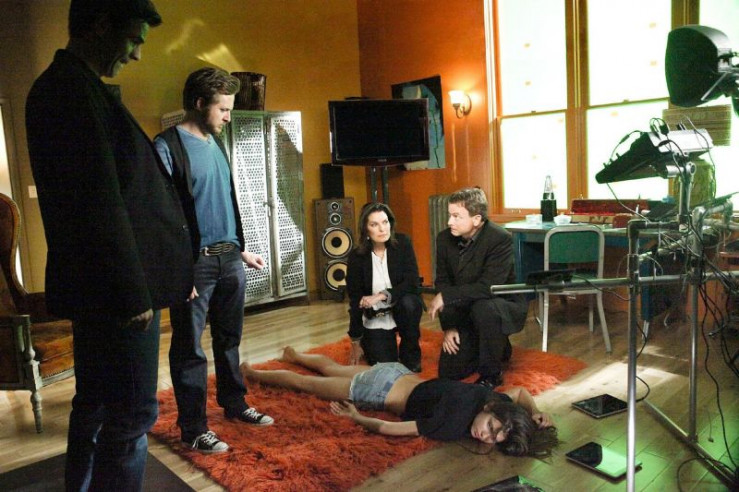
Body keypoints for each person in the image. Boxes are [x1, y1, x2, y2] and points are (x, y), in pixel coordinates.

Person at [25, 1, 194, 490]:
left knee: (96, 405)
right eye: (134, 38)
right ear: (100, 24)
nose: (137, 53)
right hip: (118, 296)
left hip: (105, 290)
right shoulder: (70, 91)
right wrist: (132, 294)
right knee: (131, 415)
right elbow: (95, 202)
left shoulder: (72, 86)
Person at [154, 67, 273, 455]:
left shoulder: (217, 143)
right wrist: (177, 271)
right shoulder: (167, 147)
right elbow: (162, 217)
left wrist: (240, 249)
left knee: (229, 340)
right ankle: (193, 428)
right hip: (195, 266)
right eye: (223, 109)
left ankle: (234, 403)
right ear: (199, 103)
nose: (228, 117)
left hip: (230, 259)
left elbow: (221, 202)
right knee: (189, 349)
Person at [240, 349, 557, 456]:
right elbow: (388, 428)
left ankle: (294, 355)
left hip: (397, 372)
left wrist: (537, 412)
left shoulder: (490, 400)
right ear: (490, 412)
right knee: (307, 384)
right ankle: (253, 373)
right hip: (379, 391)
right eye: (490, 428)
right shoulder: (449, 424)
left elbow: (519, 394)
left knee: (332, 368)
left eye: (493, 438)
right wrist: (356, 417)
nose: (484, 436)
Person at [428, 187, 528, 388]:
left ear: (476, 219)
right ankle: (495, 344)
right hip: (465, 305)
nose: (449, 222)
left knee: (484, 308)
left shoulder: (500, 238)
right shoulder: (444, 239)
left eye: (456, 216)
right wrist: (449, 326)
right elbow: (443, 282)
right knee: (450, 372)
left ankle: (491, 374)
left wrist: (446, 296)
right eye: (450, 215)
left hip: (497, 304)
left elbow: (487, 287)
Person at [346, 202, 423, 372]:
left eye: (385, 222)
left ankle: (410, 350)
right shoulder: (356, 257)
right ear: (366, 229)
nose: (382, 229)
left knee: (409, 304)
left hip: (403, 308)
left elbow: (412, 281)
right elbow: (355, 299)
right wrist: (355, 339)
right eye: (374, 224)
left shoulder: (403, 243)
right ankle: (370, 342)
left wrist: (381, 295)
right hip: (377, 317)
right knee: (385, 366)